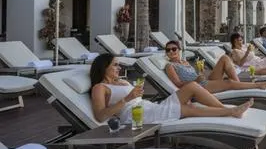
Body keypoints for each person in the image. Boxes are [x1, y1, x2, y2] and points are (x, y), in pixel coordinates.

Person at [89, 53, 252, 124]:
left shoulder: (121, 81)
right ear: (104, 67)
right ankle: (230, 112)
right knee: (188, 108)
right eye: (115, 65)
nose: (119, 67)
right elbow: (100, 116)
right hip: (137, 117)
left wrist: (135, 95)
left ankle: (225, 109)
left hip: (150, 107)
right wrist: (127, 98)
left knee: (192, 86)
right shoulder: (100, 87)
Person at [162, 40, 266, 92]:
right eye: (168, 50)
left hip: (202, 81)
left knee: (225, 58)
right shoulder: (170, 66)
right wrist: (196, 80)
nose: (171, 51)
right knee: (229, 83)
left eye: (174, 49)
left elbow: (196, 75)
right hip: (197, 87)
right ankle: (258, 85)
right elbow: (178, 84)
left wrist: (201, 73)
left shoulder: (184, 62)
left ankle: (239, 85)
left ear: (179, 50)